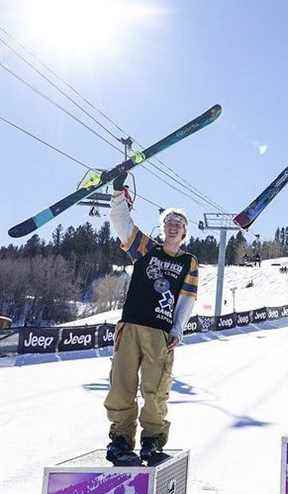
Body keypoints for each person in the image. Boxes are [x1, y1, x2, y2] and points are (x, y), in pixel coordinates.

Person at [103, 173, 198, 465]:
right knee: (122, 385)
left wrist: (177, 330)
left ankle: (152, 441)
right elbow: (123, 225)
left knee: (156, 390)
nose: (172, 227)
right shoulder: (146, 249)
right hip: (131, 325)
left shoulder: (188, 262)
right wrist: (118, 193)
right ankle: (120, 440)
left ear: (184, 232)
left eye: (178, 225)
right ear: (163, 228)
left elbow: (186, 299)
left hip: (159, 332)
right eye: (168, 223)